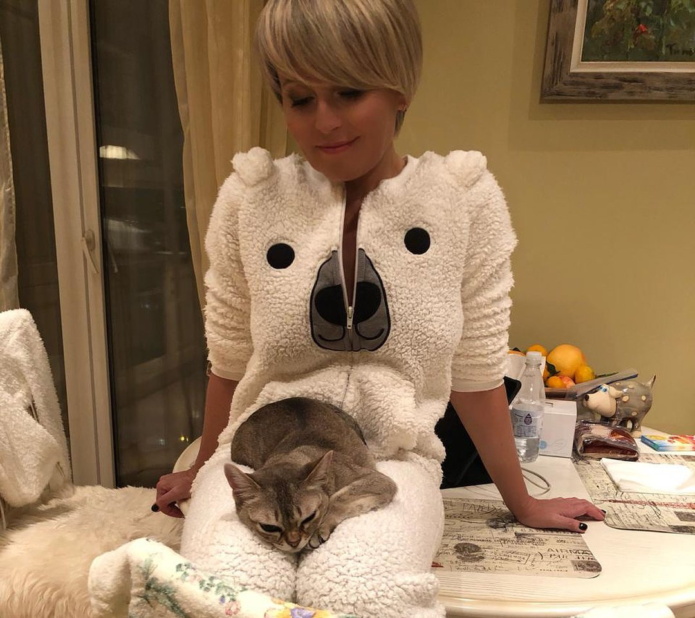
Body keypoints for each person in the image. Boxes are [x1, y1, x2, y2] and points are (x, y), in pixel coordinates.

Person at [155, 0, 605, 615]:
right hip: (261, 456)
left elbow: (476, 372)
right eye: (299, 99)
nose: (324, 121)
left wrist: (521, 502)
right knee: (223, 590)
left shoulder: (463, 202)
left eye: (348, 91)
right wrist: (204, 465)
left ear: (399, 89)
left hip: (392, 456)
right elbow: (230, 358)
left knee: (361, 590)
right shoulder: (248, 200)